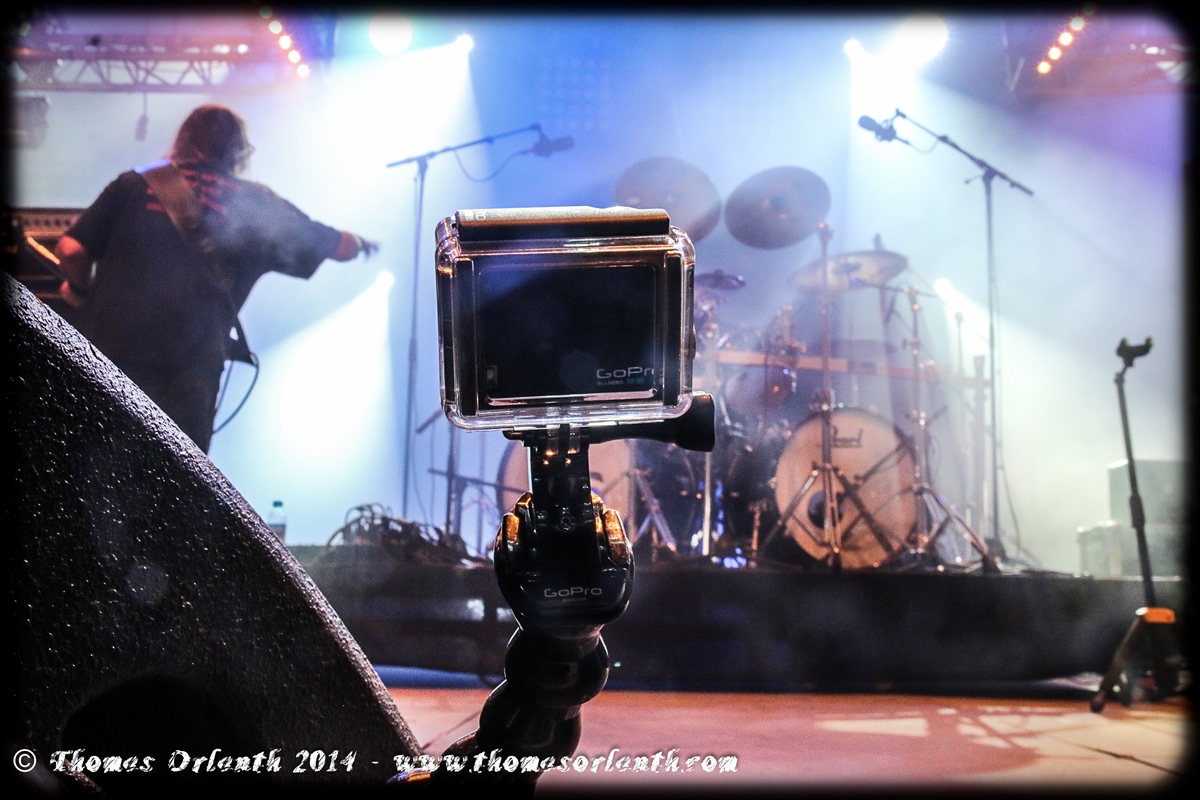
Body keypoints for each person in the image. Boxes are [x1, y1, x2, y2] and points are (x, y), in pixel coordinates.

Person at [53, 105, 377, 453]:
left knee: (92, 467)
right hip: (189, 373)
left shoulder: (134, 184)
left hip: (107, 357)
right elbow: (338, 246)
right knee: (172, 477)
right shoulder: (255, 204)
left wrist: (79, 289)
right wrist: (361, 242)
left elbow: (71, 250)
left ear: (182, 140)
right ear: (239, 151)